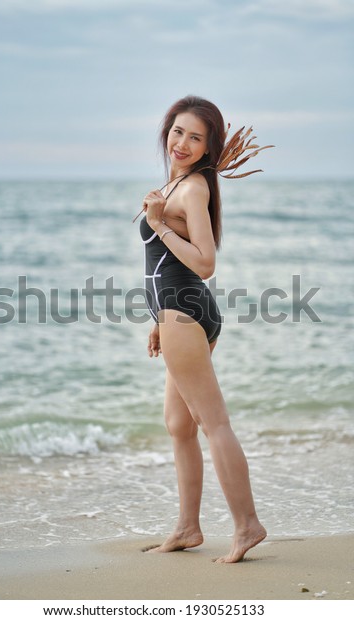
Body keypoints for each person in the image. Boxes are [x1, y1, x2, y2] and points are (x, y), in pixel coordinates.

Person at [138, 95, 267, 563]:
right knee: (179, 425)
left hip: (184, 308)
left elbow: (205, 263)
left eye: (196, 137)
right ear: (166, 131)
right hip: (178, 314)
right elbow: (163, 265)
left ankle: (248, 525)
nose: (183, 142)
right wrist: (159, 322)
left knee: (214, 424)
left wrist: (158, 224)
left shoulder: (192, 190)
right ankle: (188, 528)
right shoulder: (176, 185)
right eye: (177, 131)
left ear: (209, 146)